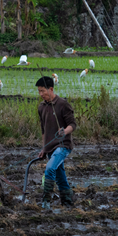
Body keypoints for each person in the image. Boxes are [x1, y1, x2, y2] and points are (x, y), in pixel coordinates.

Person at [36, 76, 77, 209]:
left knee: (49, 169)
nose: (41, 94)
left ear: (51, 89)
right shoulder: (41, 107)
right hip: (50, 148)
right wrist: (44, 148)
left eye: (43, 91)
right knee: (60, 178)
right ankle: (68, 204)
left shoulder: (62, 104)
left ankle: (46, 203)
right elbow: (44, 130)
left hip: (63, 146)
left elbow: (73, 125)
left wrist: (64, 131)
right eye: (39, 91)